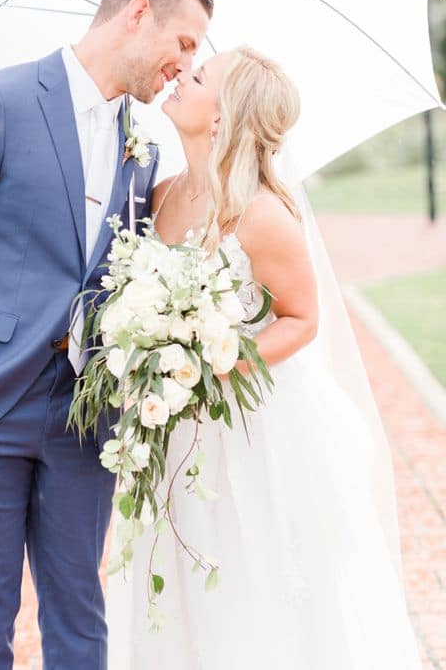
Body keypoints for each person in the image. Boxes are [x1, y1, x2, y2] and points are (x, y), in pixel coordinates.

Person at [0, 0, 212, 669]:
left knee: (79, 618)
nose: (185, 64)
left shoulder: (143, 144)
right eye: (185, 42)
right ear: (137, 14)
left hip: (83, 417)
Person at [107, 47, 421, 668]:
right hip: (174, 428)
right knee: (184, 580)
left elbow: (303, 319)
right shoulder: (163, 194)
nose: (178, 78)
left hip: (252, 432)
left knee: (254, 584)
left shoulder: (262, 214)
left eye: (196, 78)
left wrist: (217, 360)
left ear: (222, 117)